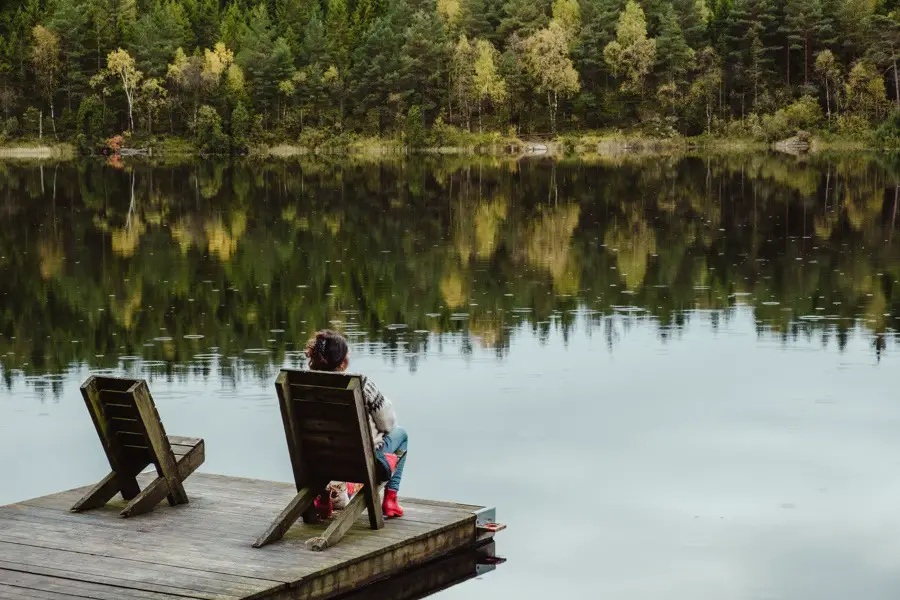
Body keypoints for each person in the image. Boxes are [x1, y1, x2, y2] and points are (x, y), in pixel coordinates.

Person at [305, 329, 408, 518]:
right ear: (343, 362)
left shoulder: (302, 386)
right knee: (401, 435)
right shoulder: (361, 383)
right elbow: (388, 424)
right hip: (358, 462)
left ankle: (322, 496)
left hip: (319, 461)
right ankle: (390, 500)